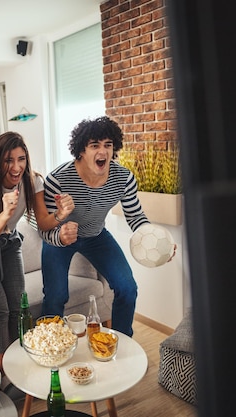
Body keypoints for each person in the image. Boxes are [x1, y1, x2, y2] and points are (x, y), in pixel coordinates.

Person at [40, 116, 174, 337]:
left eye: (108, 145)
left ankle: (122, 342)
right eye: (94, 145)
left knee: (127, 288)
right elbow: (44, 227)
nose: (102, 151)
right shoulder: (58, 179)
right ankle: (51, 346)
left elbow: (135, 215)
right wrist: (61, 236)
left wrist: (156, 240)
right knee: (56, 296)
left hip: (96, 236)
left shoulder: (124, 178)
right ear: (81, 150)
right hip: (60, 239)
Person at [0, 131, 74, 371]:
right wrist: (6, 212)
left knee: (18, 305)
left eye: (21, 159)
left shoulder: (32, 181)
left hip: (10, 244)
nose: (16, 167)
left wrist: (60, 216)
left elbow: (43, 222)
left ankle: (20, 364)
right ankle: (4, 370)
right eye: (8, 160)